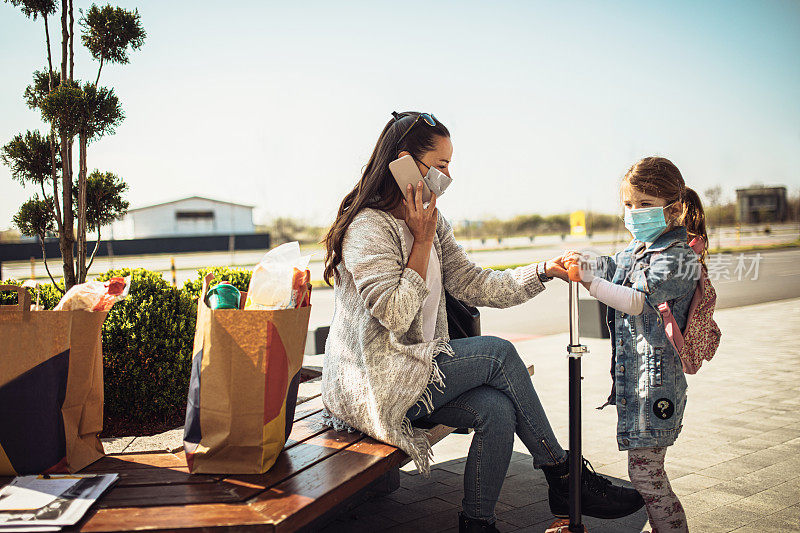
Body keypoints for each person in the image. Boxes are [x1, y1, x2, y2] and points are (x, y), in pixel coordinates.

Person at [321, 111, 644, 532]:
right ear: (403, 163)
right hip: (375, 382)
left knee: (497, 409)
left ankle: (478, 524)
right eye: (440, 165)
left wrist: (543, 269)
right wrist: (419, 241)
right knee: (498, 352)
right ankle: (564, 476)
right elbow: (397, 314)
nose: (448, 176)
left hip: (414, 373)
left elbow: (474, 283)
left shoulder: (433, 223)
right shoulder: (368, 228)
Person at [563, 156, 709, 532]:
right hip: (638, 382)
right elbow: (614, 268)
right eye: (629, 204)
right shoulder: (636, 248)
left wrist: (590, 284)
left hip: (656, 385)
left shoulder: (679, 256)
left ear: (673, 208)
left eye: (644, 204)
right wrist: (586, 261)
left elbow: (636, 299)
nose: (634, 212)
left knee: (647, 477)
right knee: (646, 473)